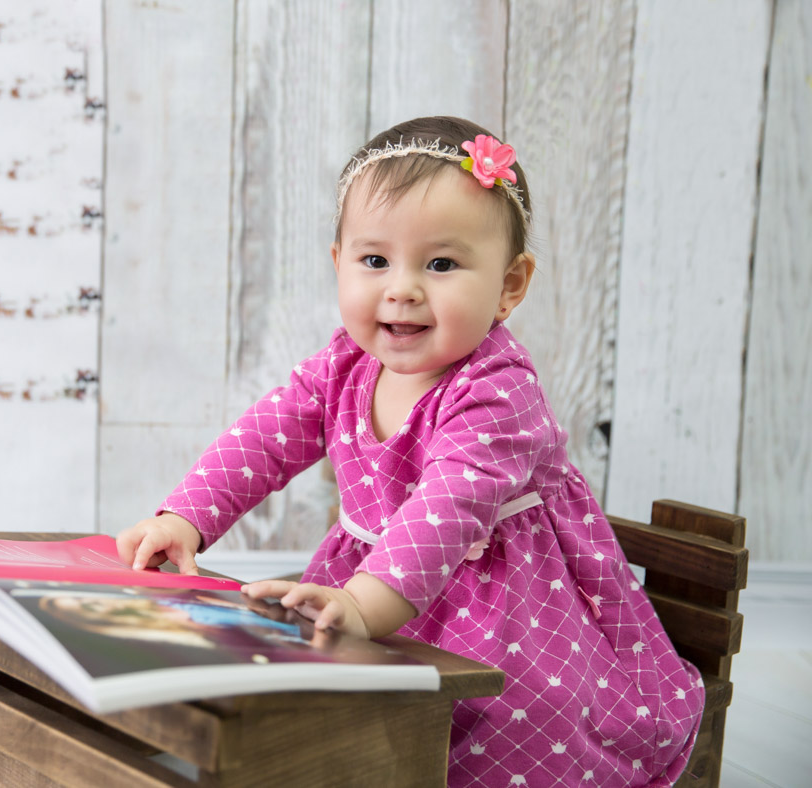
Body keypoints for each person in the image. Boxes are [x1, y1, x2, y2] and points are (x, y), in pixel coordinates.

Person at [116, 115, 704, 785]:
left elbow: (447, 512)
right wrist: (184, 517)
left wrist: (365, 607)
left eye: (442, 264)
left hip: (501, 602)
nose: (402, 288)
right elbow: (263, 439)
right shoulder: (344, 366)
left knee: (506, 713)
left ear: (510, 286)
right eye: (375, 261)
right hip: (371, 581)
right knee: (308, 689)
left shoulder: (497, 390)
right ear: (339, 264)